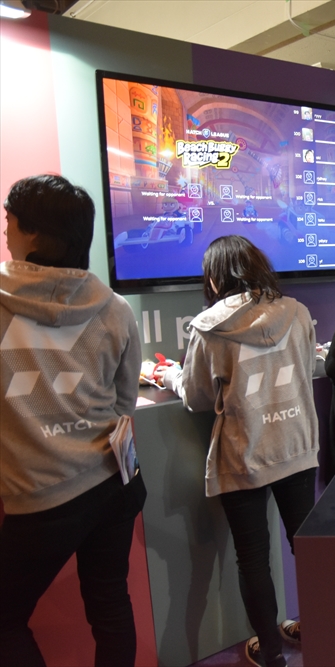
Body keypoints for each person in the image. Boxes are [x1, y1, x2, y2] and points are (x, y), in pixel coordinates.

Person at [0, 174, 146, 666]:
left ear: (33, 231)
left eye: (8, 219)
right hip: (115, 482)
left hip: (43, 495)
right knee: (110, 602)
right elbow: (124, 402)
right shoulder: (115, 307)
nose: (5, 229)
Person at [158, 235, 319, 667]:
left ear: (215, 277)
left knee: (253, 559)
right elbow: (306, 369)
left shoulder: (208, 327)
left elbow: (195, 396)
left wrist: (166, 375)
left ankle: (271, 654)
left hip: (244, 454)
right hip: (296, 445)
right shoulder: (297, 312)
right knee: (307, 548)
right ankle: (322, 634)